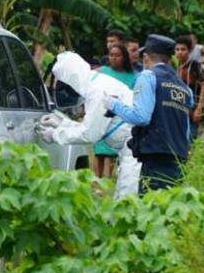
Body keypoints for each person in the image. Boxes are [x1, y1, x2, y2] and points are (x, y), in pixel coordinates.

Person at [37, 52, 141, 197]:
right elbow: (91, 125)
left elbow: (91, 134)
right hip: (131, 148)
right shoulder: (97, 82)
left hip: (135, 150)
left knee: (127, 201)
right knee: (122, 199)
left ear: (71, 79)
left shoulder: (97, 91)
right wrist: (63, 123)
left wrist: (55, 135)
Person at [107, 34, 193, 194]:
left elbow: (141, 117)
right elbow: (186, 129)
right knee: (170, 209)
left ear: (146, 57)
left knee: (152, 208)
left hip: (155, 156)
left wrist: (113, 104)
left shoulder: (148, 76)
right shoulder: (184, 88)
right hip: (179, 157)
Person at [93, 43, 138, 178]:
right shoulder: (102, 72)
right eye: (111, 55)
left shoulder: (133, 77)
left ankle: (107, 179)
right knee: (99, 149)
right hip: (101, 114)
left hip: (119, 118)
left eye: (117, 55)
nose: (113, 58)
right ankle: (96, 181)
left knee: (111, 151)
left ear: (124, 57)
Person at [175, 35, 204, 138]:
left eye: (183, 49)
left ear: (189, 51)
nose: (180, 52)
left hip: (192, 107)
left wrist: (199, 108)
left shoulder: (194, 65)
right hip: (178, 106)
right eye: (177, 49)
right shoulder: (174, 66)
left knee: (191, 137)